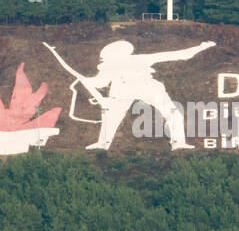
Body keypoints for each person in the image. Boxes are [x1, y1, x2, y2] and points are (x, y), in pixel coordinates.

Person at [80, 39, 215, 149]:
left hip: (145, 87)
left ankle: (178, 142)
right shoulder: (110, 66)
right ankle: (102, 144)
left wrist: (200, 47)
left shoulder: (134, 60)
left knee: (172, 113)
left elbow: (179, 55)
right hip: (124, 90)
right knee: (111, 118)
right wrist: (88, 81)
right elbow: (100, 82)